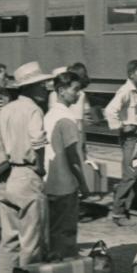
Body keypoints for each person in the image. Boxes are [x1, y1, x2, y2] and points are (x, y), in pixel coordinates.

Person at [0, 62, 53, 273]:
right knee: (30, 240)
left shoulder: (7, 108)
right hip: (27, 174)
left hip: (6, 176)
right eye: (42, 85)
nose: (47, 88)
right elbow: (38, 140)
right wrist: (41, 166)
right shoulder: (34, 109)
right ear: (32, 87)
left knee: (9, 238)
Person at [44, 71, 92, 259]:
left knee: (52, 230)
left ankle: (52, 268)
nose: (78, 94)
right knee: (66, 232)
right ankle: (64, 271)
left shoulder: (49, 115)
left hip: (48, 181)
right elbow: (73, 158)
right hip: (64, 185)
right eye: (75, 89)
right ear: (62, 90)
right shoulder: (67, 119)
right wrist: (83, 184)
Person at [104, 59, 137, 225]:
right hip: (130, 138)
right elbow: (110, 110)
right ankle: (117, 212)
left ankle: (126, 210)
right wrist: (122, 126)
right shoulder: (125, 91)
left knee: (136, 175)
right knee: (130, 175)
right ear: (131, 74)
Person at [49, 62, 92, 156]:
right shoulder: (80, 95)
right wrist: (82, 145)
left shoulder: (52, 95)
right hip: (73, 138)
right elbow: (79, 122)